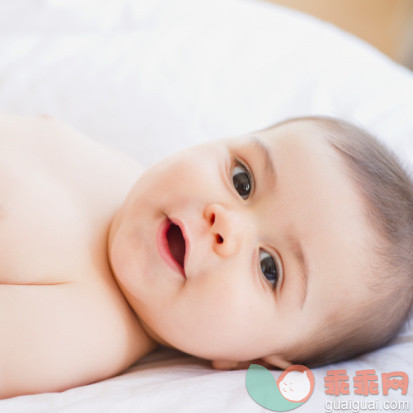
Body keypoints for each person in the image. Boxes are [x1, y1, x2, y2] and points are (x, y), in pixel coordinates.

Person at [1, 113, 412, 399]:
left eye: (270, 269)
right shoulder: (121, 169)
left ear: (251, 359)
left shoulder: (87, 330)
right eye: (242, 179)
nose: (225, 223)